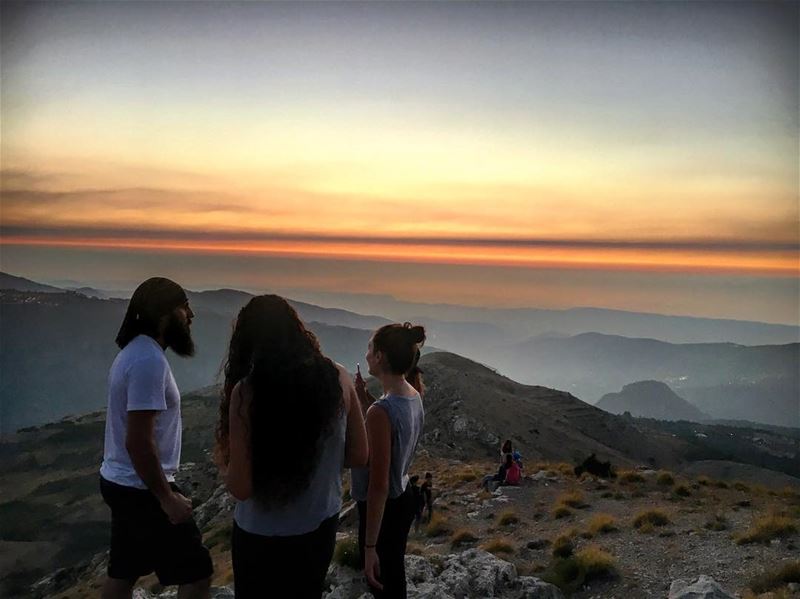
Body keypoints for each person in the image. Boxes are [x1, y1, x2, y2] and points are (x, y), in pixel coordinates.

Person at [215, 295, 368, 599]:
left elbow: (241, 488)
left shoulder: (246, 393)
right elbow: (359, 454)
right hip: (319, 525)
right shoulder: (338, 377)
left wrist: (223, 463)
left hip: (261, 536)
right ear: (297, 331)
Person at [99, 277, 212, 599]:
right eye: (184, 306)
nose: (191, 315)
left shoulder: (136, 353)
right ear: (164, 313)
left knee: (123, 571)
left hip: (122, 482)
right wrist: (167, 498)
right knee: (197, 573)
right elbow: (139, 441)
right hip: (141, 489)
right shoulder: (148, 361)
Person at [351, 322, 426, 598]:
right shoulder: (413, 395)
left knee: (382, 584)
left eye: (371, 347)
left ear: (380, 356)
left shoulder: (381, 411)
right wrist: (365, 399)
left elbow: (378, 484)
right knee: (395, 577)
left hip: (385, 510)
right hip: (402, 498)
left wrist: (370, 547)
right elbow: (392, 429)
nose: (367, 352)